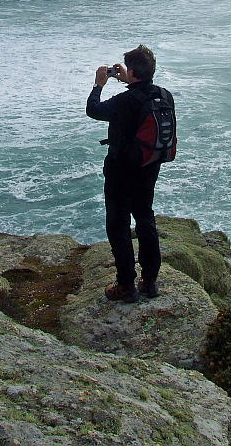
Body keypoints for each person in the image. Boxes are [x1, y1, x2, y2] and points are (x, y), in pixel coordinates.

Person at [86, 44, 172, 303]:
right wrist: (129, 80)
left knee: (118, 224)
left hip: (121, 171)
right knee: (145, 218)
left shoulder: (126, 101)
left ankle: (126, 285)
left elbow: (94, 110)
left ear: (132, 72)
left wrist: (99, 84)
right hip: (149, 168)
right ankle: (150, 281)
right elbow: (140, 100)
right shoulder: (163, 95)